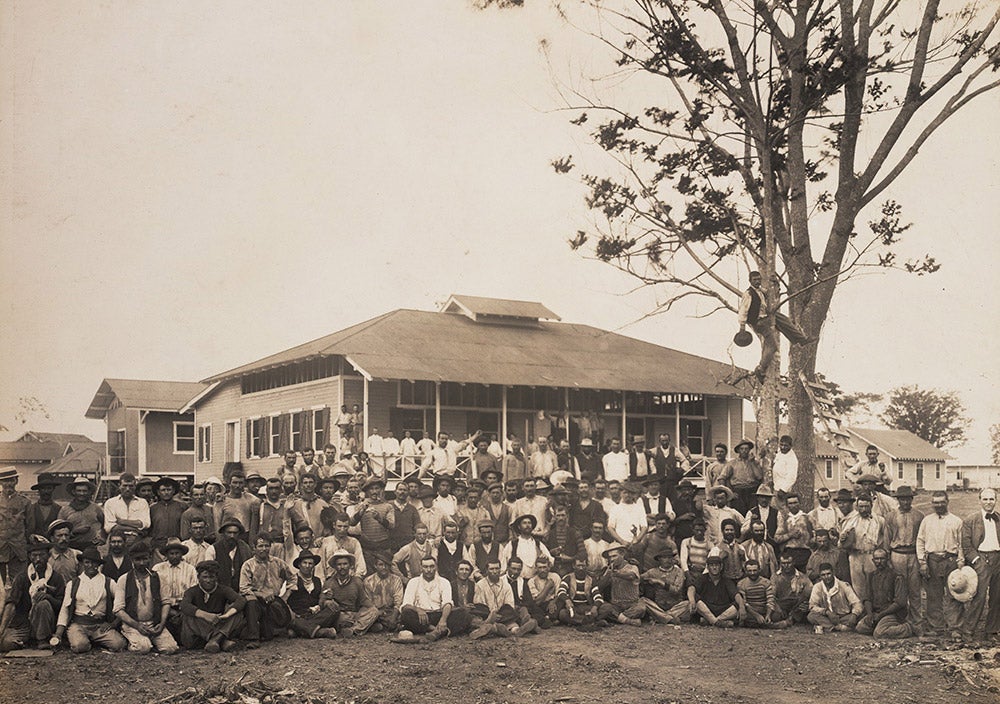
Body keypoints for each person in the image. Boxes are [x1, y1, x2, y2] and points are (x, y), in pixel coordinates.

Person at [736, 269, 808, 380]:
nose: (757, 282)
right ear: (750, 281)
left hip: (766, 316)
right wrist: (742, 328)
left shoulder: (760, 290)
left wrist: (776, 282)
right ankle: (761, 369)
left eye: (759, 279)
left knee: (784, 320)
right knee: (773, 346)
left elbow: (771, 292)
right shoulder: (748, 294)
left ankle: (800, 339)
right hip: (758, 322)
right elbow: (743, 311)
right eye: (754, 280)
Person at [52, 546, 126, 653]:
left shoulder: (109, 582)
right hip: (79, 624)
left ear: (99, 564)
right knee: (79, 646)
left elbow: (122, 603)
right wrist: (58, 634)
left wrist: (114, 623)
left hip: (100, 625)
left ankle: (95, 640)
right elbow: (65, 610)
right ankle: (82, 640)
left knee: (119, 645)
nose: (91, 566)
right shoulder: (73, 583)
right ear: (82, 564)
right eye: (87, 562)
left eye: (94, 563)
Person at [0, 535, 65, 651]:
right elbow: (11, 603)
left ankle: (42, 639)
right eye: (34, 555)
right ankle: (26, 641)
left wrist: (49, 598)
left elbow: (62, 606)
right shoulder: (22, 577)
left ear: (48, 556)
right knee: (5, 644)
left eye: (42, 555)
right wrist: (1, 629)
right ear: (30, 557)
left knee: (43, 603)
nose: (38, 559)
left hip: (47, 624)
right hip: (23, 624)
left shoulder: (56, 578)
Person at [113, 541, 179, 654]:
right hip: (133, 625)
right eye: (138, 560)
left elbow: (166, 603)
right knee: (143, 648)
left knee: (170, 648)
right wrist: (137, 625)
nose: (142, 563)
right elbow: (118, 610)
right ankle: (134, 640)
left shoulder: (159, 577)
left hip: (154, 624)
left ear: (150, 558)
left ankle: (151, 640)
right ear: (132, 560)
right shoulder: (124, 579)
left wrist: (162, 623)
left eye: (145, 559)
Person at [916, 490, 964, 637]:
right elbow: (920, 541)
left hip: (950, 560)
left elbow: (961, 544)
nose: (938, 505)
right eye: (935, 503)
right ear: (932, 504)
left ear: (947, 502)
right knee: (933, 595)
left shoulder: (956, 521)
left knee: (953, 594)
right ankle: (936, 626)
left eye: (941, 502)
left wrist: (960, 562)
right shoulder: (927, 521)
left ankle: (955, 627)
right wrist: (922, 562)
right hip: (933, 561)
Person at [178, 559, 246, 652]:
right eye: (205, 577)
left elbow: (240, 600)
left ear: (216, 577)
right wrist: (206, 615)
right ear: (198, 577)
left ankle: (215, 640)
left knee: (237, 613)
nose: (208, 580)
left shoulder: (223, 589)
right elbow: (184, 605)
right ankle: (221, 641)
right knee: (187, 615)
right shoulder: (192, 591)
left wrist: (227, 615)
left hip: (217, 622)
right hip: (198, 631)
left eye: (211, 577)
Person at [960, 487, 1000, 642]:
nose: (988, 502)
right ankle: (968, 631)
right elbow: (966, 545)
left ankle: (992, 630)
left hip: (997, 559)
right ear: (979, 500)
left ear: (996, 501)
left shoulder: (998, 518)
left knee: (996, 597)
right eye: (985, 499)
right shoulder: (971, 520)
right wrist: (977, 561)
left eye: (991, 499)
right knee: (979, 597)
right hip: (981, 559)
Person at [400, 555, 472, 640]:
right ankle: (437, 630)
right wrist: (418, 610)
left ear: (436, 567)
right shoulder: (413, 582)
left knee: (464, 613)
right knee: (406, 614)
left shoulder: (444, 582)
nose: (429, 570)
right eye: (425, 567)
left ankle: (436, 630)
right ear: (421, 568)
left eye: (431, 566)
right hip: (421, 617)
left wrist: (443, 620)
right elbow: (406, 605)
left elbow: (447, 603)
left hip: (439, 614)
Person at [239, 534, 292, 643]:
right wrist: (261, 594)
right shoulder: (248, 565)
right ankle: (253, 638)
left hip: (274, 602)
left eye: (267, 546)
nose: (264, 549)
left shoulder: (278, 563)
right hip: (256, 602)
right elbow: (244, 588)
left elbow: (293, 578)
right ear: (254, 548)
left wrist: (286, 594)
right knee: (251, 602)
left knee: (269, 635)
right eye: (260, 546)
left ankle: (266, 630)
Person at [884, 485, 923, 631]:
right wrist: (887, 558)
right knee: (899, 591)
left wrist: (921, 558)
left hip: (913, 555)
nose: (905, 502)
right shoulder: (890, 516)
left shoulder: (919, 516)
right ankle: (901, 621)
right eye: (902, 499)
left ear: (911, 499)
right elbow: (887, 538)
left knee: (915, 591)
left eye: (907, 499)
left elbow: (921, 538)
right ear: (898, 500)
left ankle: (917, 623)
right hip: (897, 555)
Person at [856, 548, 913, 639]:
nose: (879, 562)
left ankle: (907, 628)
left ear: (888, 559)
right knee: (860, 627)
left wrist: (881, 615)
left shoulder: (897, 576)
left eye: (882, 559)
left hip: (892, 613)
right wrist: (870, 614)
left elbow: (899, 602)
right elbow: (867, 598)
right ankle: (883, 626)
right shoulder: (871, 576)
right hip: (876, 612)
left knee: (879, 634)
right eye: (877, 559)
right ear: (873, 561)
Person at [839, 495, 886, 601]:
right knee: (858, 587)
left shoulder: (880, 521)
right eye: (861, 507)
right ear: (857, 507)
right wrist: (842, 538)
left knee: (873, 584)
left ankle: (874, 610)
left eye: (866, 506)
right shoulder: (850, 521)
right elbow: (841, 544)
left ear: (871, 506)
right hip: (856, 556)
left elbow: (885, 539)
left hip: (872, 556)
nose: (864, 509)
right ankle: (861, 611)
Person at [284, 549, 338, 639]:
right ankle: (320, 632)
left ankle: (301, 629)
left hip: (315, 615)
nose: (307, 566)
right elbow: (284, 600)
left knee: (334, 609)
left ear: (314, 566)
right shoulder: (292, 580)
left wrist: (326, 599)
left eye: (310, 563)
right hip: (298, 615)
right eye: (304, 563)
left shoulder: (318, 581)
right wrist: (291, 613)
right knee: (293, 620)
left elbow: (320, 601)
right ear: (299, 565)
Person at [469, 557, 525, 639]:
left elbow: (509, 605)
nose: (495, 571)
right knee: (479, 612)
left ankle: (499, 629)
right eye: (491, 569)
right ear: (487, 570)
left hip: (503, 616)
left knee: (511, 615)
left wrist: (499, 614)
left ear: (500, 569)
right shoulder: (480, 585)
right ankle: (498, 629)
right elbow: (479, 605)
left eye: (497, 568)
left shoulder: (506, 585)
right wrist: (491, 615)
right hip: (487, 616)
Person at [153, 538, 198, 630]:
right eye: (171, 554)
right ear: (166, 555)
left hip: (184, 607)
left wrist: (184, 609)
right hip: (163, 607)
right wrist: (169, 610)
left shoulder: (190, 569)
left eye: (177, 553)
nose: (174, 556)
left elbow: (194, 591)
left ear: (182, 554)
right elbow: (154, 591)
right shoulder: (158, 568)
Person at [688, 553, 742, 628]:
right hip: (707, 608)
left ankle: (711, 621)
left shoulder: (726, 580)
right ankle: (717, 622)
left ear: (721, 567)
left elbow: (736, 594)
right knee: (696, 598)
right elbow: (691, 588)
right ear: (708, 567)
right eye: (711, 565)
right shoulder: (702, 578)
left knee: (738, 603)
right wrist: (692, 601)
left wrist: (742, 607)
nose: (714, 568)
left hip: (723, 609)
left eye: (717, 565)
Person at [640, 546, 689, 623]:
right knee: (643, 601)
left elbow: (676, 590)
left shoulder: (679, 572)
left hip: (675, 606)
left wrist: (659, 582)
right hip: (659, 606)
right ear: (659, 559)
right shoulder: (652, 572)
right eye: (664, 557)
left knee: (688, 604)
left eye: (670, 557)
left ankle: (661, 617)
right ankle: (669, 618)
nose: (668, 560)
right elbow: (639, 578)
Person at [808, 562, 863, 633]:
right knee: (811, 616)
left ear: (833, 573)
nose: (826, 577)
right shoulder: (817, 587)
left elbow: (857, 603)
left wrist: (854, 614)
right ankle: (839, 628)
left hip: (843, 616)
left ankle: (828, 627)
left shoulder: (844, 585)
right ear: (820, 576)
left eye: (828, 574)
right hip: (827, 617)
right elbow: (812, 606)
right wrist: (826, 612)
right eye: (823, 575)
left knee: (858, 616)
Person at [102, 472, 150, 546]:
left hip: (137, 540)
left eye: (131, 486)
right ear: (119, 486)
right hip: (116, 541)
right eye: (125, 486)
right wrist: (136, 529)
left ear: (135, 487)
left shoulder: (142, 502)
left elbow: (145, 524)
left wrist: (122, 521)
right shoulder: (110, 503)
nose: (128, 489)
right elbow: (110, 527)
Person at [0, 467, 30, 586]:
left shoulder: (25, 502)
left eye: (11, 480)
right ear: (0, 482)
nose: (8, 484)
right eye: (5, 481)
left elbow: (30, 527)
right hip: (0, 547)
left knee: (19, 582)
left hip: (18, 549)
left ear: (16, 481)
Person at [58, 477, 104, 551]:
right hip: (72, 546)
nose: (82, 494)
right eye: (79, 491)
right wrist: (75, 531)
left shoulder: (96, 508)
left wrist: (101, 537)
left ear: (89, 492)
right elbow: (59, 531)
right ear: (74, 492)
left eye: (84, 491)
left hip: (91, 546)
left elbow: (104, 525)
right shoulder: (65, 510)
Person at [503, 515, 552, 580]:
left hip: (534, 581)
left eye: (529, 523)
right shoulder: (512, 544)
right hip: (517, 581)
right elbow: (504, 564)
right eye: (524, 523)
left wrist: (545, 558)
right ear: (519, 527)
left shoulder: (538, 544)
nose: (527, 525)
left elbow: (551, 561)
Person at [365, 551, 404, 633]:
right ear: (375, 566)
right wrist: (377, 613)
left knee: (403, 617)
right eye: (381, 564)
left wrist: (393, 618)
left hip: (391, 612)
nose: (384, 567)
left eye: (387, 565)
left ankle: (383, 626)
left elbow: (398, 602)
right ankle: (378, 625)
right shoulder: (369, 581)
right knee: (365, 615)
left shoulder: (396, 580)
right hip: (375, 612)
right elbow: (368, 602)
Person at [318, 512, 366, 577]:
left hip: (350, 579)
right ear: (334, 525)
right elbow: (320, 567)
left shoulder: (354, 542)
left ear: (349, 526)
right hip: (330, 579)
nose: (342, 529)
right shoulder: (325, 542)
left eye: (345, 526)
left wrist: (356, 578)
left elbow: (360, 565)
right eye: (339, 526)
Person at [775, 494, 813, 573]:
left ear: (800, 503)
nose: (793, 505)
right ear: (787, 505)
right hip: (789, 554)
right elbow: (777, 538)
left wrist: (811, 541)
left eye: (795, 502)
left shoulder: (807, 517)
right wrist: (790, 535)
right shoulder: (785, 519)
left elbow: (819, 532)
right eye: (790, 503)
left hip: (805, 553)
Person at [737, 559, 780, 628]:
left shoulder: (766, 582)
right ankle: (772, 625)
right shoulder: (741, 584)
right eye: (749, 571)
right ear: (746, 571)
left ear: (759, 570)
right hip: (751, 611)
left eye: (755, 570)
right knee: (743, 617)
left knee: (777, 615)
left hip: (764, 609)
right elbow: (744, 603)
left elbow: (770, 600)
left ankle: (765, 622)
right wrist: (757, 615)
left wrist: (768, 615)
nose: (752, 573)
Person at [723, 440, 764, 514]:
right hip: (738, 492)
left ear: (749, 450)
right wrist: (730, 492)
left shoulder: (755, 462)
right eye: (742, 449)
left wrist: (752, 463)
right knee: (739, 514)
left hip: (752, 492)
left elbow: (759, 477)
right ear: (738, 450)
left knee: (753, 514)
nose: (744, 451)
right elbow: (722, 478)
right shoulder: (732, 463)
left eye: (746, 449)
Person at [772, 553, 813, 626]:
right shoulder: (775, 577)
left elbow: (810, 593)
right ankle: (789, 619)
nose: (786, 566)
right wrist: (778, 608)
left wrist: (806, 605)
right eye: (783, 563)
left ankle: (791, 619)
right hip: (782, 603)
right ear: (780, 563)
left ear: (793, 562)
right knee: (774, 616)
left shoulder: (802, 577)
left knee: (804, 604)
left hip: (796, 604)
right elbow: (772, 596)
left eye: (788, 563)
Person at [219, 473, 261, 543]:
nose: (237, 486)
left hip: (245, 536)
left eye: (240, 483)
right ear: (229, 483)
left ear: (244, 484)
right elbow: (218, 524)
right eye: (235, 483)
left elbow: (260, 501)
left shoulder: (249, 498)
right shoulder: (222, 500)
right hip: (227, 536)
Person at [607, 482, 648, 551]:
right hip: (620, 545)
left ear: (634, 495)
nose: (628, 495)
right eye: (625, 492)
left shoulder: (639, 508)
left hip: (636, 545)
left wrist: (637, 540)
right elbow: (610, 527)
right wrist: (622, 541)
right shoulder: (615, 508)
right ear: (621, 493)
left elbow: (644, 527)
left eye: (631, 493)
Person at [149, 477, 186, 554]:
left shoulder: (182, 506)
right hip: (158, 546)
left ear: (173, 491)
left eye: (169, 490)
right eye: (163, 490)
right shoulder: (152, 508)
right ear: (158, 492)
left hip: (177, 545)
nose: (166, 492)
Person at [214, 518, 253, 591]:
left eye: (235, 533)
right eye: (229, 532)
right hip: (219, 591)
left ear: (239, 534)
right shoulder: (213, 549)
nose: (232, 536)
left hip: (240, 590)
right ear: (223, 533)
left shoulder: (245, 549)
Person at [770, 435, 798, 500]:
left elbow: (791, 477)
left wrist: (783, 490)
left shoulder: (792, 459)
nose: (783, 447)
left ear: (791, 446)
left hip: (782, 492)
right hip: (775, 487)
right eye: (781, 445)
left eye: (786, 446)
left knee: (782, 508)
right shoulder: (780, 452)